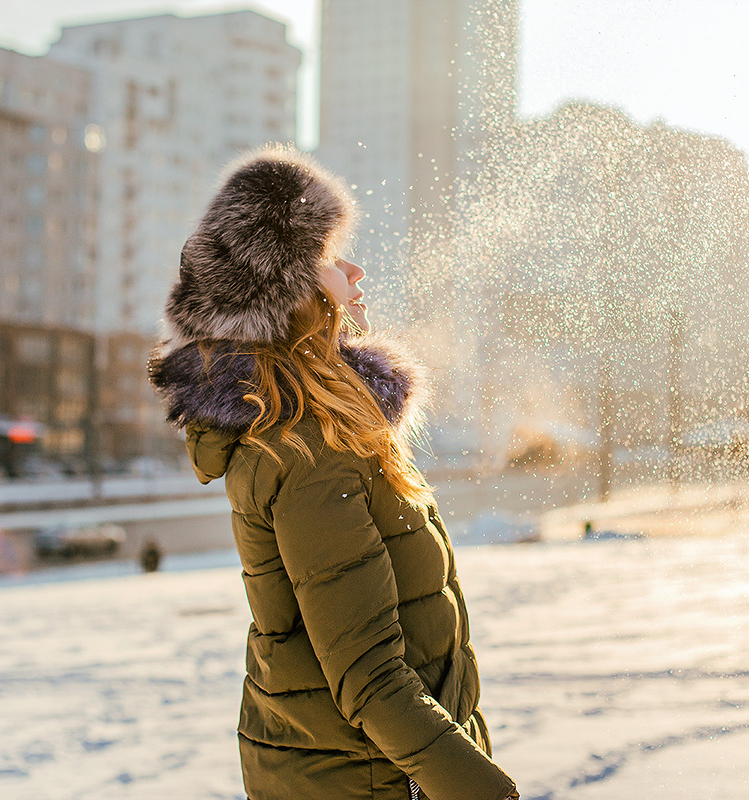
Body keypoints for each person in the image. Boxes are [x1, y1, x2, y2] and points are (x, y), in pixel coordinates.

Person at [149, 145, 518, 800]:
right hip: (366, 778)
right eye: (329, 256)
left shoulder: (327, 430)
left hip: (377, 766)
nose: (354, 270)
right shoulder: (307, 453)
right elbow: (370, 678)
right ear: (286, 293)